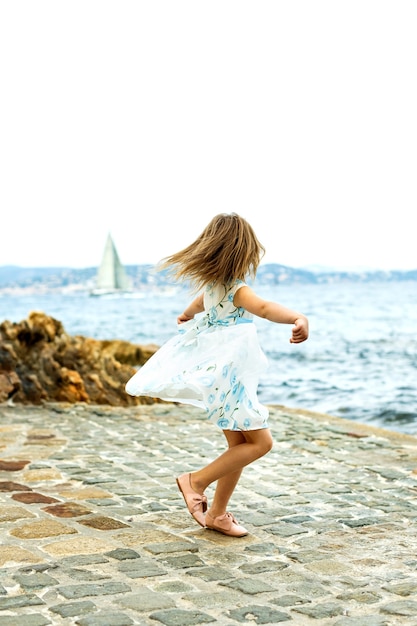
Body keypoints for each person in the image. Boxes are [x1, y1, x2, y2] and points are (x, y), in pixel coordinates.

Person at [125, 213, 309, 537]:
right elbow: (264, 309)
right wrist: (297, 316)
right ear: (242, 253)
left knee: (238, 445)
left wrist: (186, 314)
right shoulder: (238, 290)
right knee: (261, 442)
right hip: (233, 384)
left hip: (220, 382)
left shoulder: (212, 289)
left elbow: (196, 306)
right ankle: (194, 481)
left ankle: (218, 515)